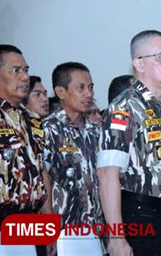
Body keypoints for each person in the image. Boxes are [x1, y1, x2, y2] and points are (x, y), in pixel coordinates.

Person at [97, 30, 161, 256]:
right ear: (139, 64)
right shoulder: (125, 107)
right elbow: (107, 174)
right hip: (142, 217)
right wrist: (116, 236)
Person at [0, 44, 53, 253]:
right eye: (15, 70)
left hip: (30, 219)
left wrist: (49, 225)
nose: (25, 77)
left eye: (26, 70)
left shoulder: (32, 119)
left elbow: (41, 171)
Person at [43, 62, 102, 228]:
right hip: (65, 226)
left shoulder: (97, 131)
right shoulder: (48, 130)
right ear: (61, 92)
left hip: (99, 227)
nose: (88, 94)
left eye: (90, 87)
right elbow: (43, 180)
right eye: (81, 88)